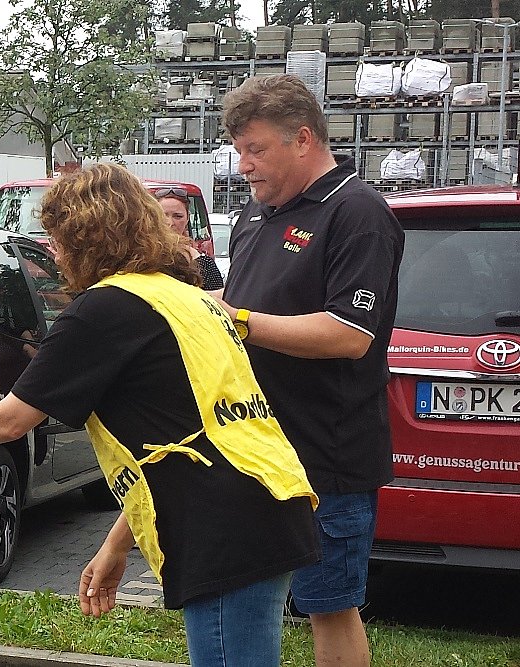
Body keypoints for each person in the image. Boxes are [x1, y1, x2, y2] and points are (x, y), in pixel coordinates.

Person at [0, 163, 321, 667]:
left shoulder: (104, 309)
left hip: (220, 522)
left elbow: (11, 420)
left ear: (87, 237)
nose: (53, 253)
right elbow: (182, 439)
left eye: (58, 238)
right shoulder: (184, 297)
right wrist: (117, 545)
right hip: (266, 497)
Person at [217, 74, 404, 667]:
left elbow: (349, 335)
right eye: (239, 150)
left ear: (302, 139)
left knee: (329, 606)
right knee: (245, 594)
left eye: (255, 149)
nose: (243, 166)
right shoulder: (255, 213)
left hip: (325, 455)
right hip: (253, 448)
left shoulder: (357, 212)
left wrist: (235, 320)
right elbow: (238, 304)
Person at [155, 187, 224, 290]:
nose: (170, 223)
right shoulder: (139, 258)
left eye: (178, 216)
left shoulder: (205, 265)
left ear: (187, 218)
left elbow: (218, 298)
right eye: (163, 216)